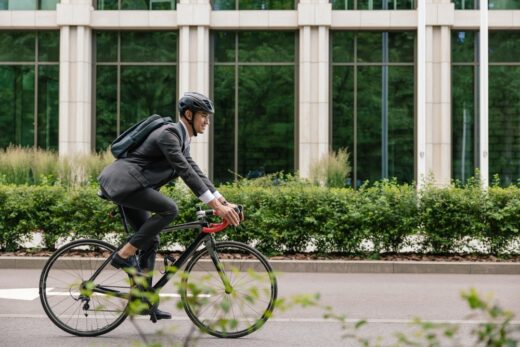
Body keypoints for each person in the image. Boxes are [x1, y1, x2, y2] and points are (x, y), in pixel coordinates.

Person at [97, 92, 241, 320]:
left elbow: (196, 172)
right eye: (204, 115)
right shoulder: (169, 135)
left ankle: (142, 300)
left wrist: (222, 201)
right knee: (169, 209)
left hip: (133, 187)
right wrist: (214, 205)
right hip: (123, 184)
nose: (207, 121)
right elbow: (185, 173)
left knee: (150, 239)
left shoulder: (181, 140)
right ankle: (124, 254)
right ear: (189, 114)